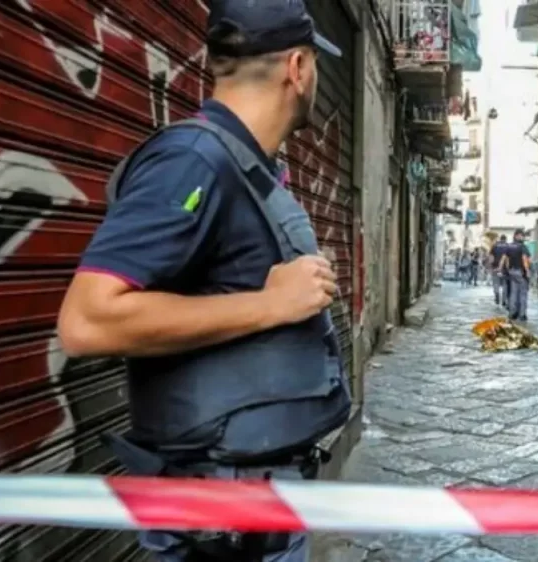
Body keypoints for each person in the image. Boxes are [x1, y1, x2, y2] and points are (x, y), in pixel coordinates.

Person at [56, 2, 351, 560]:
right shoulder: (193, 162)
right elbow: (86, 321)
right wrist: (270, 305)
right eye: (315, 64)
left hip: (254, 511)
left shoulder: (242, 167)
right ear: (298, 67)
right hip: (220, 522)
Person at [500, 229, 531, 321]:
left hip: (512, 272)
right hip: (520, 272)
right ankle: (522, 314)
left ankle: (512, 313)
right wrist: (527, 270)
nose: (523, 237)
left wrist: (506, 269)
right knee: (523, 293)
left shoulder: (509, 246)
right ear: (517, 236)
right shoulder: (522, 246)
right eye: (522, 235)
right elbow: (525, 259)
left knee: (513, 293)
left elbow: (504, 259)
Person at [490, 235, 508, 307]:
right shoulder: (508, 246)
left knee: (496, 283)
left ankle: (497, 294)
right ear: (505, 239)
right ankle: (504, 300)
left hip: (495, 268)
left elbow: (491, 257)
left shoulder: (494, 246)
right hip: (505, 269)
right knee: (505, 285)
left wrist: (491, 266)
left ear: (500, 239)